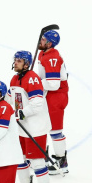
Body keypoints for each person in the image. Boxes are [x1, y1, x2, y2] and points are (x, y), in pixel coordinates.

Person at [0, 51, 54, 183]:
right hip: (22, 127)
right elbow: (10, 100)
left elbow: (37, 104)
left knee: (36, 162)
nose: (15, 63)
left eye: (19, 60)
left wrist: (22, 113)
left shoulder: (33, 79)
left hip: (36, 127)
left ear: (27, 64)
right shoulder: (15, 78)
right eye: (15, 60)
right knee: (20, 158)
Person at [34, 30, 70, 175]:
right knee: (43, 126)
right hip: (49, 95)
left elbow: (53, 84)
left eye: (43, 39)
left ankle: (61, 161)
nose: (40, 41)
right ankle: (43, 156)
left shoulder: (52, 57)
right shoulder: (43, 53)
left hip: (56, 96)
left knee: (55, 130)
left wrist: (35, 83)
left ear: (49, 43)